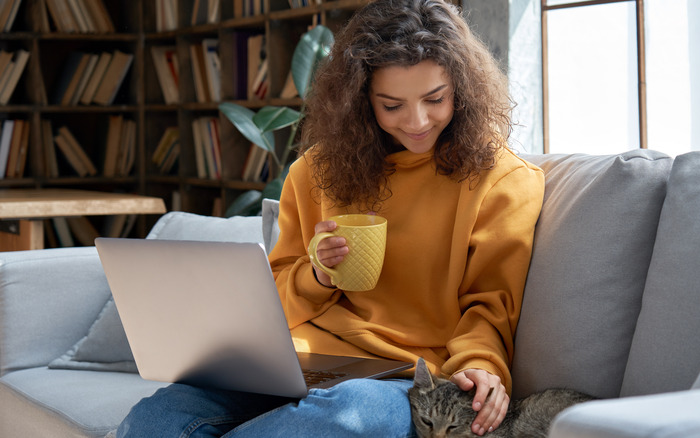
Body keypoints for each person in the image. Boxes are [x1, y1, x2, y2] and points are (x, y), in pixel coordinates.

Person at [116, 0, 544, 437]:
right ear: (360, 100)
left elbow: (491, 306)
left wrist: (480, 367)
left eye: (435, 99)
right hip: (300, 359)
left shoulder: (502, 181)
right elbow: (273, 298)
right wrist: (317, 277)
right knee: (154, 419)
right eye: (392, 105)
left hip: (404, 377)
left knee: (346, 415)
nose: (417, 121)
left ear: (463, 89)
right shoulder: (317, 169)